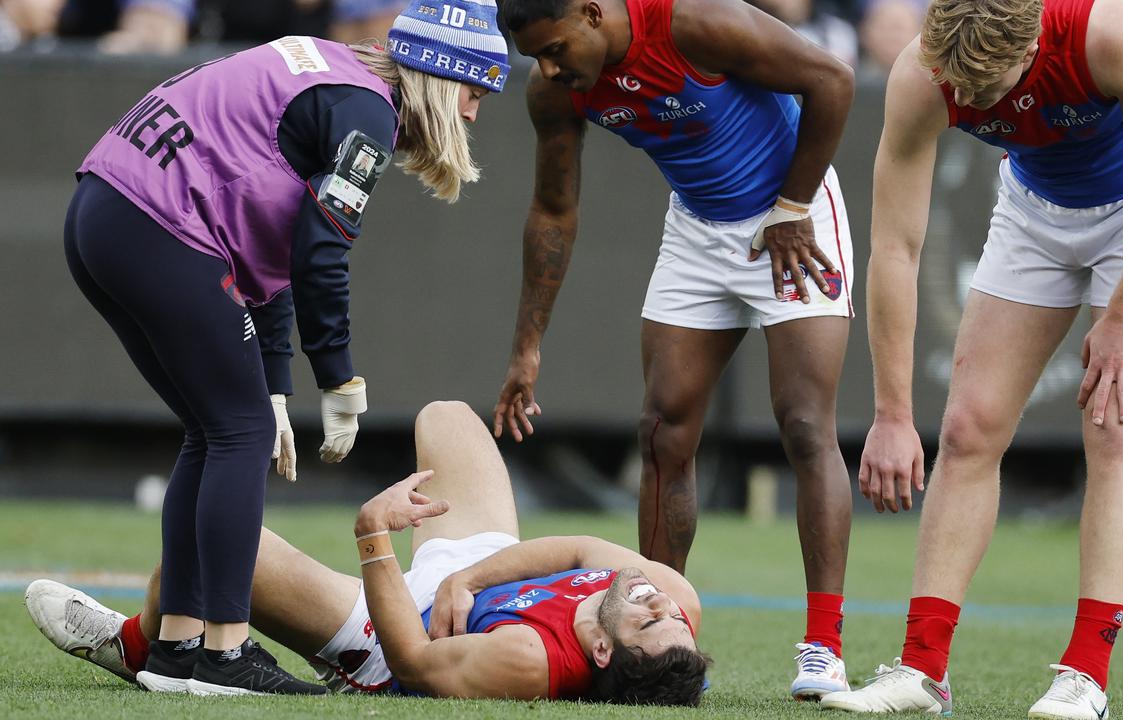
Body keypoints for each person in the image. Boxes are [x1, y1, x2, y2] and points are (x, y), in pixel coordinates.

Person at [61, 0, 509, 695]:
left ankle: (178, 646)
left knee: (215, 430)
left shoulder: (329, 72)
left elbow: (265, 242)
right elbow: (319, 252)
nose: (474, 115)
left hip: (103, 212)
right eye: (474, 93)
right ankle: (227, 653)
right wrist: (339, 381)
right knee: (236, 431)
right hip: (156, 222)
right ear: (440, 74)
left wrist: (274, 379)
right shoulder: (366, 112)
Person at [819, 0, 1123, 717]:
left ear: (1030, 48)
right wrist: (892, 413)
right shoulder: (923, 73)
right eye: (958, 88)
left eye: (986, 92)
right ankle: (923, 671)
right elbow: (896, 250)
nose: (967, 104)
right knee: (966, 429)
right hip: (1034, 211)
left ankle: (1086, 676)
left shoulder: (1108, 31)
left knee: (1115, 431)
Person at [489, 0, 857, 700]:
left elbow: (833, 80)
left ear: (595, 13)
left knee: (806, 425)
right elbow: (553, 210)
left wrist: (792, 208)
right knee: (662, 431)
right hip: (698, 228)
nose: (549, 67)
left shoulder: (694, 21)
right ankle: (655, 637)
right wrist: (527, 349)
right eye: (537, 56)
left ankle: (823, 649)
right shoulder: (558, 90)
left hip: (792, 213)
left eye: (557, 47)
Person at [26, 401, 711, 704]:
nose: (658, 601)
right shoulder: (677, 610)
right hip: (473, 588)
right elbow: (583, 545)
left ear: (600, 654)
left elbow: (414, 660)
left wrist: (373, 536)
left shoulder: (528, 661)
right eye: (669, 615)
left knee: (210, 556)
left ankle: (136, 644)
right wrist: (466, 577)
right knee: (447, 416)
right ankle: (153, 640)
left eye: (648, 619)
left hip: (401, 632)